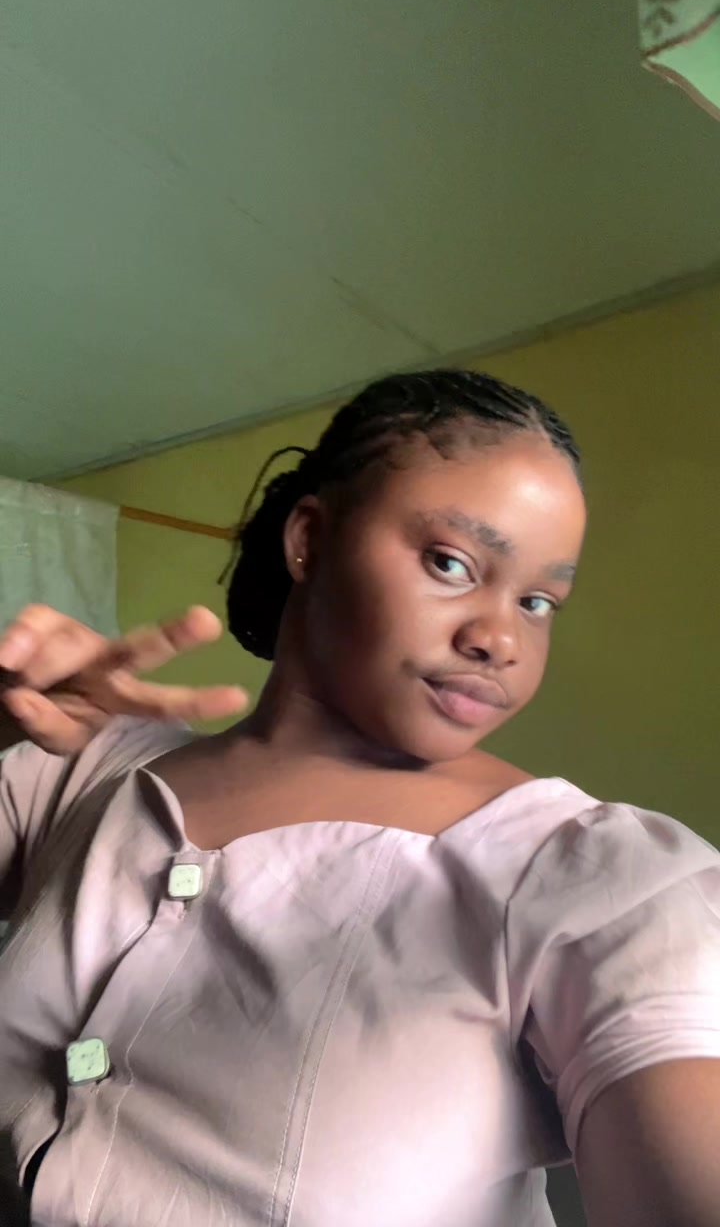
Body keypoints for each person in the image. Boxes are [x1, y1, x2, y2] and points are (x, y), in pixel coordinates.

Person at [0, 369, 717, 1227]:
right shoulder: (75, 773)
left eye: (537, 601)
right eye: (451, 563)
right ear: (309, 538)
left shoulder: (599, 879)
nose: (499, 638)